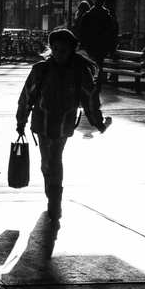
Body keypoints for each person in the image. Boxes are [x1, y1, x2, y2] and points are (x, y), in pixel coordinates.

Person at [16, 28, 110, 219]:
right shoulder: (40, 70)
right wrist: (21, 119)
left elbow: (90, 98)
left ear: (71, 51)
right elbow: (27, 96)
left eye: (63, 51)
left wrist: (97, 121)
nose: (59, 54)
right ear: (51, 48)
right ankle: (51, 194)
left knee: (54, 159)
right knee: (46, 161)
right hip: (42, 122)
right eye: (56, 49)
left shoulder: (78, 72)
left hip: (63, 123)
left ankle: (54, 201)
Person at [77, 0, 120, 66]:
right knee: (98, 64)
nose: (98, 4)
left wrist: (82, 43)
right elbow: (112, 32)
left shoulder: (88, 15)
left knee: (93, 63)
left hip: (92, 44)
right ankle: (97, 76)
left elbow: (82, 32)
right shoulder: (106, 15)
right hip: (100, 44)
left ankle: (95, 76)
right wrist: (112, 46)